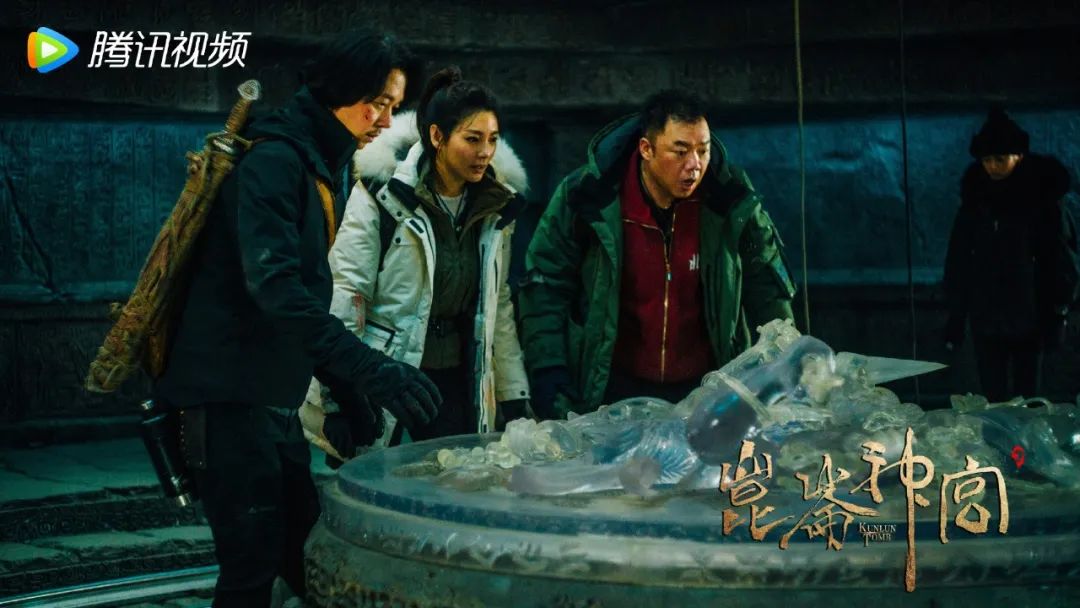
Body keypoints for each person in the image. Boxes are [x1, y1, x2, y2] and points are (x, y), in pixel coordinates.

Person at [152, 30, 442, 607]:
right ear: (340, 89)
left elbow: (304, 294)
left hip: (267, 399)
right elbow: (277, 291)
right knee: (250, 570)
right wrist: (369, 371)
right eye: (378, 103)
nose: (387, 121)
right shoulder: (276, 160)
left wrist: (345, 390)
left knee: (306, 554)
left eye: (393, 106)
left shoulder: (316, 157)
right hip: (227, 400)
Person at [520, 89, 796, 420]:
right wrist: (548, 371)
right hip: (611, 386)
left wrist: (785, 363)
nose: (694, 165)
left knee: (728, 456)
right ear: (646, 149)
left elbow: (766, 286)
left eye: (703, 150)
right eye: (680, 152)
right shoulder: (588, 197)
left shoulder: (729, 200)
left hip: (706, 387)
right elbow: (546, 286)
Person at [322, 66, 531, 443]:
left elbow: (497, 304)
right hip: (388, 375)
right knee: (385, 475)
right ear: (437, 137)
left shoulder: (495, 206)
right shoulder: (382, 195)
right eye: (472, 139)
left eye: (493, 139)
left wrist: (513, 394)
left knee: (456, 473)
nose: (485, 152)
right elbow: (348, 293)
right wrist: (340, 397)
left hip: (460, 380)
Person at [943, 108, 1077, 402]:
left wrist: (1058, 309)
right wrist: (957, 315)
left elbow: (1061, 258)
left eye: (1000, 159)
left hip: (1031, 312)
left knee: (1029, 393)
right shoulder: (976, 202)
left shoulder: (1043, 200)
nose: (992, 166)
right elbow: (959, 258)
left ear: (1018, 156)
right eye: (987, 160)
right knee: (994, 395)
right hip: (987, 314)